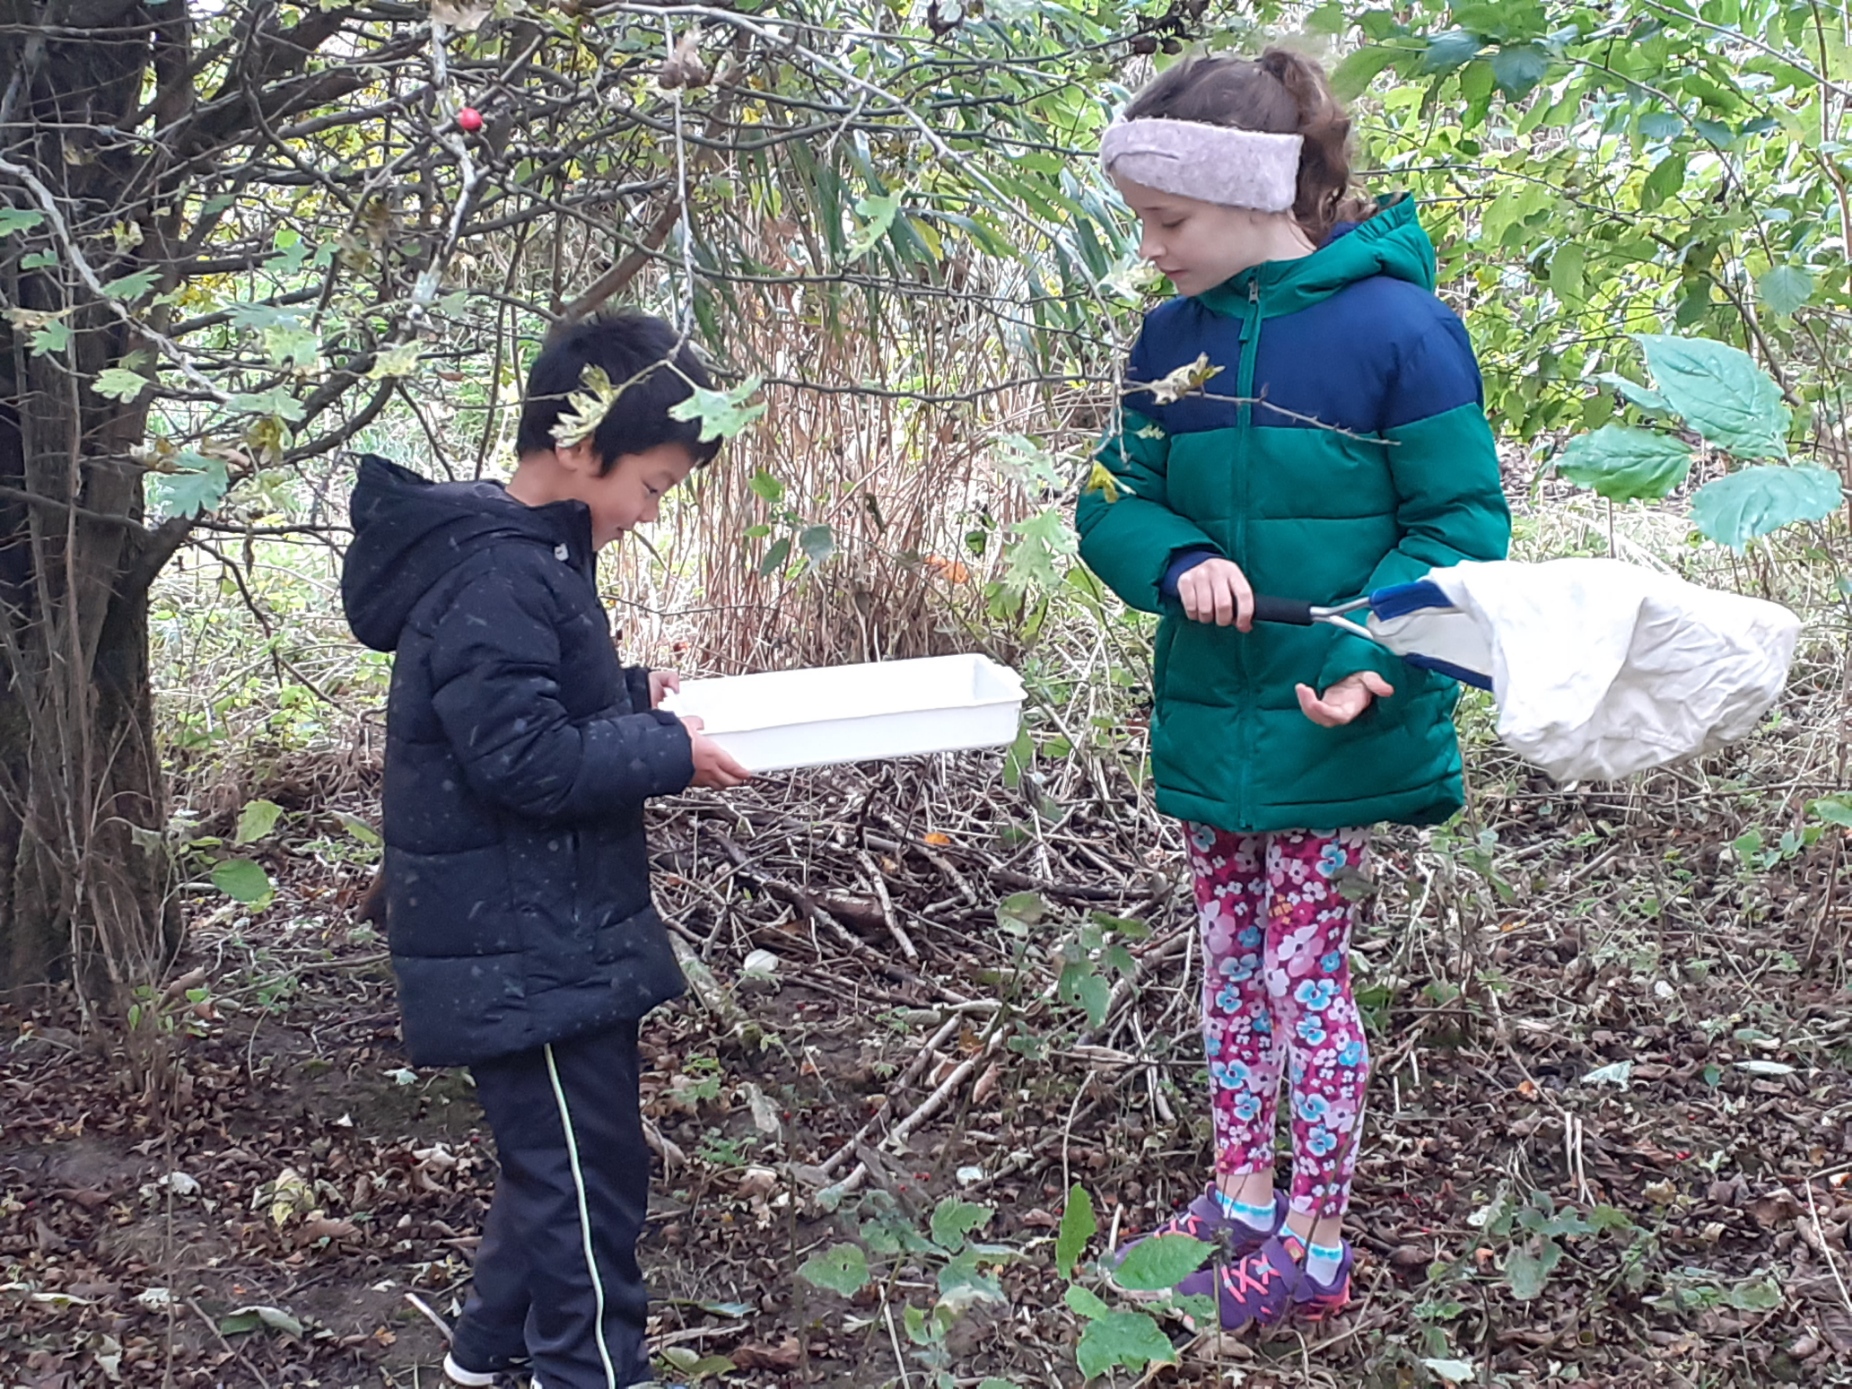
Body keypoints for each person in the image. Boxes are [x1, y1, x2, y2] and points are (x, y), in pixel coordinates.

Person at [1077, 48, 1510, 1331]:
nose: (1152, 251)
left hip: (1331, 721)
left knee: (1299, 978)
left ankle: (1314, 1244)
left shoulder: (1398, 331)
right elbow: (1113, 498)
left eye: (1169, 222)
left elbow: (1460, 527)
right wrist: (1178, 557)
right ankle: (1241, 1196)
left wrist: (1368, 656)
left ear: (1255, 191)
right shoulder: (1173, 342)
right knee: (1225, 959)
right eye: (1142, 225)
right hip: (1217, 715)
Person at [341, 310, 751, 1388]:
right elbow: (523, 761)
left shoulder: (522, 556)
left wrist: (628, 699)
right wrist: (668, 749)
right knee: (585, 1193)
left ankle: (484, 1354)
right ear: (579, 448)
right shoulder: (499, 574)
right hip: (520, 944)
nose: (650, 511)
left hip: (540, 931)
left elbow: (513, 708)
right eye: (653, 485)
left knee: (568, 1168)